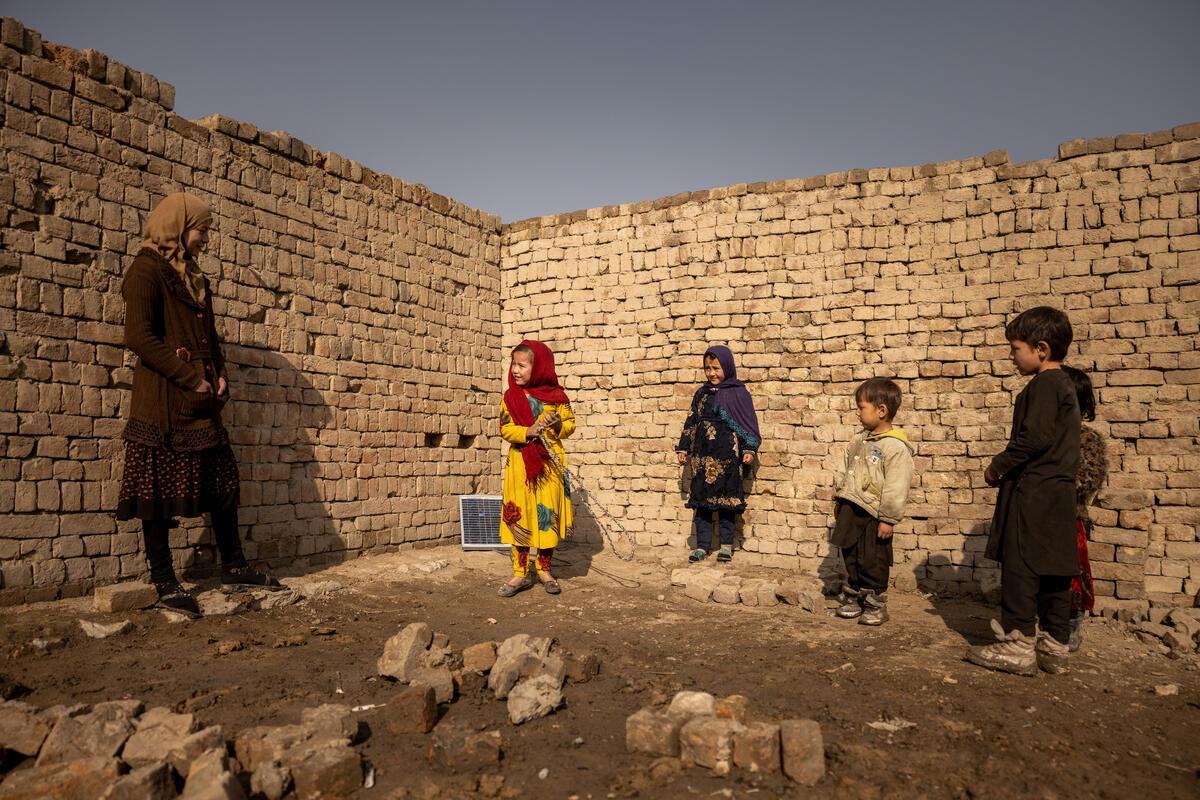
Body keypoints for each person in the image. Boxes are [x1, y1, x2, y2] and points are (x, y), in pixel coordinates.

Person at [116, 192, 280, 616]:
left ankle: (234, 565)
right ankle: (165, 580)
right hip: (163, 404)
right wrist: (191, 377)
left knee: (224, 485)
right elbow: (139, 337)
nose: (206, 238)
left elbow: (210, 339)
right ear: (178, 227)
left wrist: (219, 373)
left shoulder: (195, 278)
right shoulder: (146, 272)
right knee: (157, 493)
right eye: (202, 230)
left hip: (202, 402)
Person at [967, 306, 1080, 676]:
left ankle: (1017, 645)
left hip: (1032, 492)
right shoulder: (1066, 385)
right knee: (1054, 569)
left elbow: (1034, 438)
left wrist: (997, 466)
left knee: (1022, 567)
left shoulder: (1045, 385)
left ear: (1041, 349)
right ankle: (1054, 645)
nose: (1012, 356)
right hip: (1058, 493)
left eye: (1016, 348)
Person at [831, 378, 915, 626]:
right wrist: (839, 495)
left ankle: (875, 603)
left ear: (881, 411)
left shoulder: (895, 447)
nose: (857, 413)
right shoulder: (858, 440)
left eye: (861, 408)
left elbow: (897, 485)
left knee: (872, 559)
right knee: (851, 554)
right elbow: (843, 468)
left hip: (874, 512)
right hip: (851, 505)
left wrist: (888, 519)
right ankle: (853, 597)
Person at [498, 340, 575, 596]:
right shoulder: (510, 397)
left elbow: (570, 426)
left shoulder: (557, 397)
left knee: (546, 517)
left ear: (539, 367)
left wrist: (554, 426)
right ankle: (519, 574)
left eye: (522, 365)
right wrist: (527, 431)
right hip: (520, 464)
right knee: (519, 516)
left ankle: (544, 570)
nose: (515, 370)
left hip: (550, 464)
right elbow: (505, 428)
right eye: (514, 364)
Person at [675, 345, 760, 563]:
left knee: (726, 504)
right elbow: (691, 421)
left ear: (728, 367)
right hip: (702, 458)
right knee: (702, 505)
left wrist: (748, 449)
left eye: (716, 368)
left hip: (727, 458)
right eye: (707, 368)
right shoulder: (701, 394)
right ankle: (702, 546)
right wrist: (684, 447)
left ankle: (726, 545)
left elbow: (748, 425)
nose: (711, 373)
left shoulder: (739, 393)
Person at [1062, 365, 1107, 651]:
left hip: (1069, 518)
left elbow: (1089, 478)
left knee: (1072, 577)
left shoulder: (1087, 439)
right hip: (1038, 517)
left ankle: (1071, 624)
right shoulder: (1044, 433)